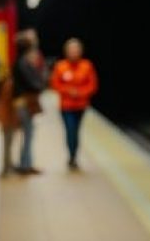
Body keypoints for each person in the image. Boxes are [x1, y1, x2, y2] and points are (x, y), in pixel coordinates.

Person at [50, 38, 98, 170]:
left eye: (76, 50)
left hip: (81, 105)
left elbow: (92, 85)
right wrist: (68, 91)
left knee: (76, 131)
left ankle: (74, 154)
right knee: (70, 130)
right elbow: (55, 84)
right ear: (66, 51)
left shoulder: (87, 65)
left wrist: (80, 93)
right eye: (71, 50)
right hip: (66, 106)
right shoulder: (60, 66)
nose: (74, 52)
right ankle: (72, 156)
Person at [10, 29, 46, 176]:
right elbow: (33, 83)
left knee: (28, 133)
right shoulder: (23, 63)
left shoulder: (20, 61)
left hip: (22, 102)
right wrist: (41, 84)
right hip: (24, 102)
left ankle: (26, 163)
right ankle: (25, 165)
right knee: (29, 133)